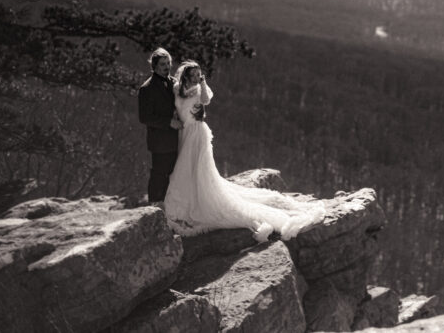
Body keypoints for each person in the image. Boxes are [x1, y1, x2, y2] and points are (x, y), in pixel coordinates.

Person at [164, 60, 325, 242]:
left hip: (197, 134)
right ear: (185, 75)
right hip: (183, 133)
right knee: (185, 169)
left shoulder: (199, 90)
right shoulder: (177, 88)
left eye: (197, 74)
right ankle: (187, 198)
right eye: (192, 75)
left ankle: (195, 201)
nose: (195, 77)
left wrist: (202, 82)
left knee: (197, 170)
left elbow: (206, 100)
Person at [137, 48, 181, 206]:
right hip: (160, 141)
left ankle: (173, 209)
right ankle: (155, 208)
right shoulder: (147, 88)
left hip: (178, 139)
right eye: (163, 64)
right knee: (159, 175)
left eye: (169, 63)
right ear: (154, 66)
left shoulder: (175, 83)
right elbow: (145, 117)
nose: (167, 66)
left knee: (176, 175)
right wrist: (169, 122)